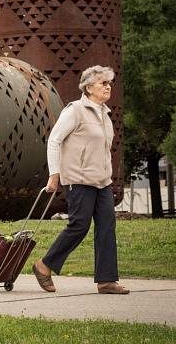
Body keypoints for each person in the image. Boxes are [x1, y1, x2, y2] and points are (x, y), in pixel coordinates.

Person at [32, 65, 129, 295]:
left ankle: (106, 281)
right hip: (78, 179)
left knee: (106, 227)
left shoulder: (104, 113)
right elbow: (54, 140)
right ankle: (44, 265)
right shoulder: (75, 110)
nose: (108, 87)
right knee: (79, 226)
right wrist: (54, 175)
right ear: (88, 87)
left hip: (101, 182)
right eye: (102, 83)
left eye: (109, 83)